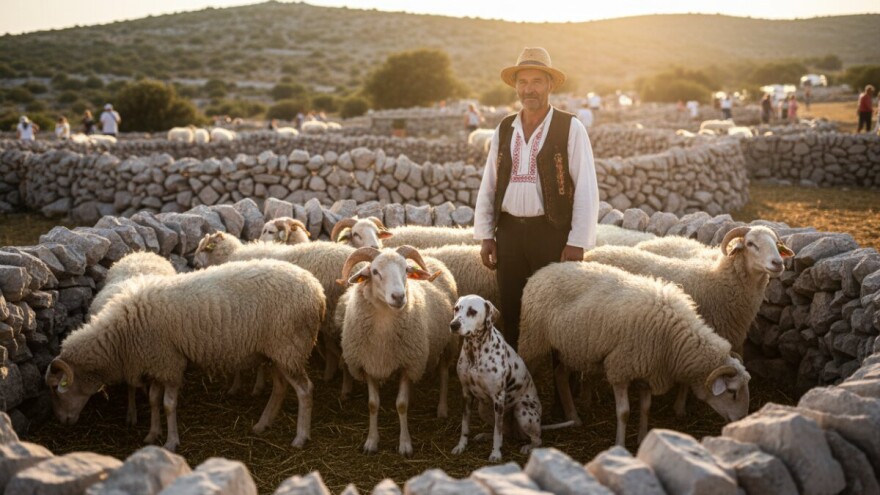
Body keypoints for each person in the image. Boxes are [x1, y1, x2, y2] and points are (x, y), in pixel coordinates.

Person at [474, 46, 599, 352]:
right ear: (516, 86)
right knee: (512, 307)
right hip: (510, 233)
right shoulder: (505, 128)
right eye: (523, 82)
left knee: (555, 310)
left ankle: (559, 388)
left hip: (552, 233)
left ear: (550, 85)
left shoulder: (570, 127)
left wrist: (577, 240)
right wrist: (485, 234)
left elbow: (585, 186)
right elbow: (489, 183)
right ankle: (515, 376)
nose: (529, 89)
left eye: (536, 81)